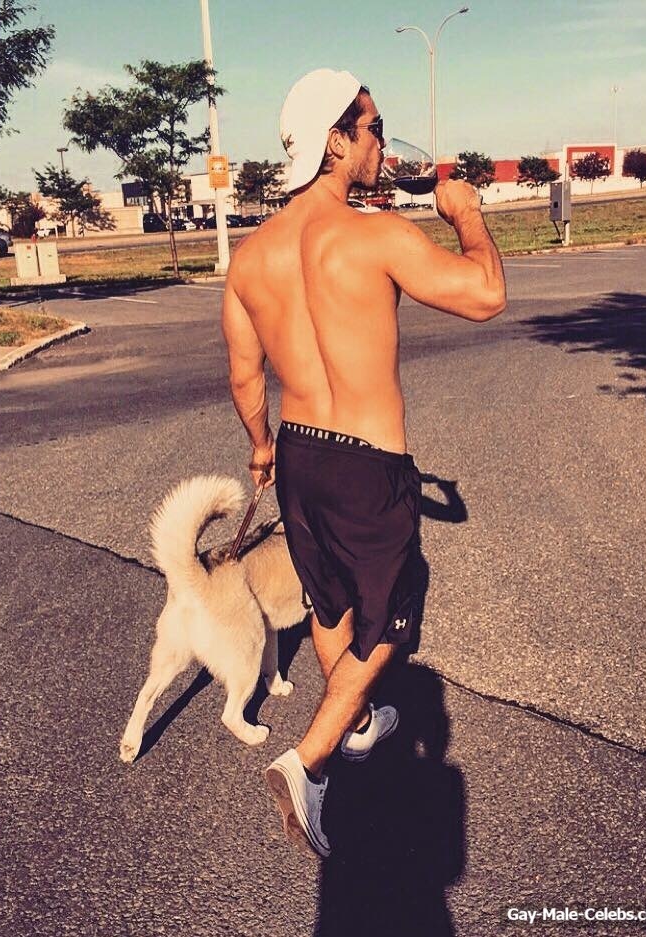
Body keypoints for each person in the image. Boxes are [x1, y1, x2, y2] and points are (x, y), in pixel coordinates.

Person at [221, 68, 505, 858]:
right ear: (335, 140)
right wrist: (466, 213)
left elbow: (244, 376)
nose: (382, 140)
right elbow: (485, 294)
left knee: (331, 602)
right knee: (395, 608)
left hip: (300, 457)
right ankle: (307, 761)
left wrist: (261, 445)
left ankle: (358, 719)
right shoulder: (374, 234)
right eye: (373, 127)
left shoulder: (250, 258)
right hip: (368, 463)